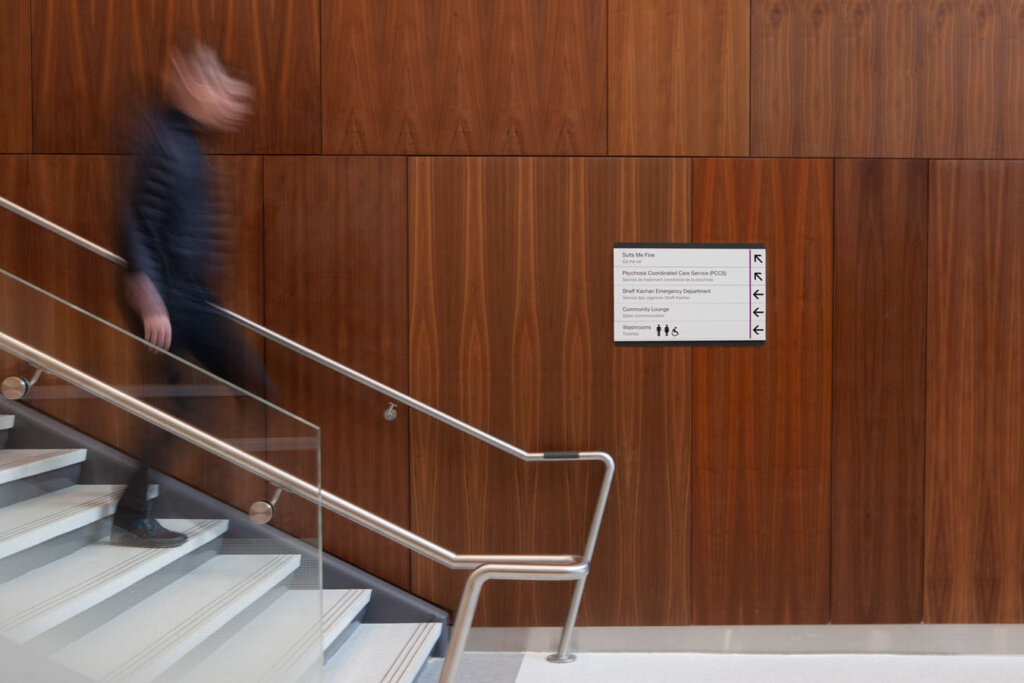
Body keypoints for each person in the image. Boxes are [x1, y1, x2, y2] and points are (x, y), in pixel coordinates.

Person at [114, 40, 266, 547]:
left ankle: (136, 509)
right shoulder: (160, 136)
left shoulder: (185, 139)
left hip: (190, 298)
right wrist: (149, 295)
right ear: (194, 83)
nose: (234, 108)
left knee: (248, 388)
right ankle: (132, 513)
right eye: (227, 94)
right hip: (169, 302)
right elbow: (134, 220)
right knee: (185, 404)